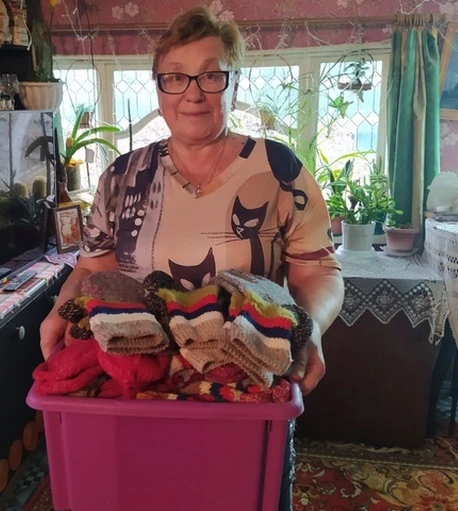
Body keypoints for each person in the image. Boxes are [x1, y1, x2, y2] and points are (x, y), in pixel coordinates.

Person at [39, 7, 344, 506]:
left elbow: (318, 271)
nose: (193, 93)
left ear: (234, 85)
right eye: (175, 77)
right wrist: (59, 310)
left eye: (211, 75)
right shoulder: (122, 176)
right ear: (159, 90)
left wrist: (309, 330)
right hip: (138, 386)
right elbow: (94, 267)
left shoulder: (279, 170)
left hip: (245, 391)